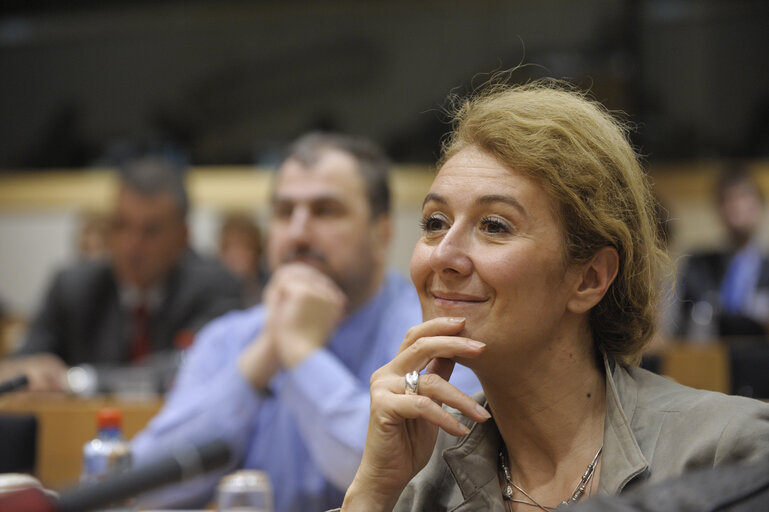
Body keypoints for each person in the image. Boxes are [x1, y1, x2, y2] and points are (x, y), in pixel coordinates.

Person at [338, 81, 769, 512]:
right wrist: (372, 490)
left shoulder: (726, 450)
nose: (443, 256)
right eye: (434, 222)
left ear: (589, 278)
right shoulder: (420, 480)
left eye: (494, 226)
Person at [131, 133, 480, 512]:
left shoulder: (433, 335)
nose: (297, 232)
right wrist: (262, 358)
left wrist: (300, 353)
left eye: (325, 211)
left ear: (382, 233)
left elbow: (397, 478)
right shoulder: (229, 338)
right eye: (284, 212)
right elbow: (143, 486)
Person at [0, 156, 243, 392]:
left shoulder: (217, 289)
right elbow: (21, 369)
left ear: (183, 236)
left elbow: (188, 371)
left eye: (151, 231)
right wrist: (28, 371)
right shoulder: (74, 288)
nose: (131, 246)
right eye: (120, 226)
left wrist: (79, 381)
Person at [673, 164, 769, 341]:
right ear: (719, 209)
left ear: (760, 206)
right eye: (729, 200)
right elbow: (684, 322)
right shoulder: (699, 264)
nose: (737, 207)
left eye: (744, 197)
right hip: (710, 357)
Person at [217, 212, 265, 306]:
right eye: (233, 247)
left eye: (246, 247)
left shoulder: (269, 287)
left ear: (257, 251)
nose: (239, 255)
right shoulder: (212, 293)